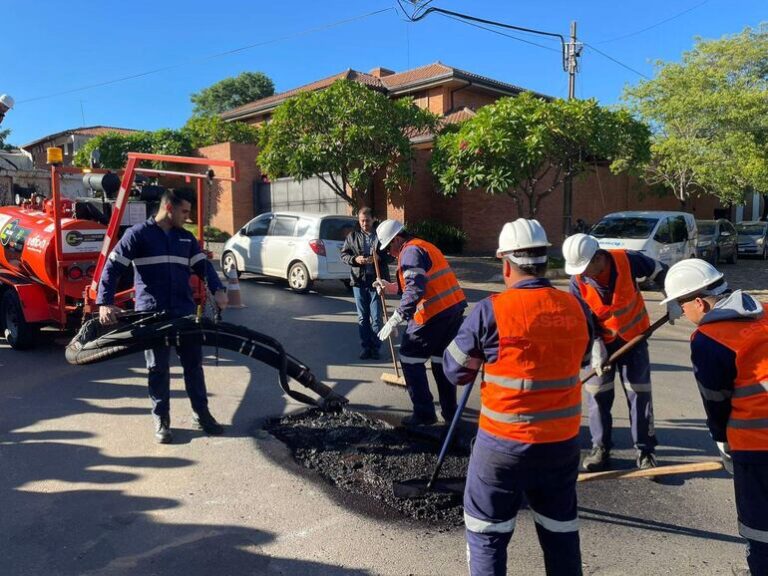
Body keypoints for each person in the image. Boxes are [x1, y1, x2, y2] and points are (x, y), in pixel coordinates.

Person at [443, 219, 592, 576]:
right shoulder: (577, 308)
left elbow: (455, 370)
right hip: (560, 447)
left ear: (505, 263)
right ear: (544, 262)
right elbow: (582, 360)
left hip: (502, 449)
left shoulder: (490, 311)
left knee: (487, 534)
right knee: (560, 532)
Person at [661, 259, 768, 575]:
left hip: (757, 448)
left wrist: (722, 441)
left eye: (682, 305)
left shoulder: (708, 339)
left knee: (760, 533)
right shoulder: (763, 309)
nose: (682, 314)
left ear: (698, 301)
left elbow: (716, 401)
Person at [97, 188, 228, 444]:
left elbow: (204, 267)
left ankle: (201, 414)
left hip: (184, 312)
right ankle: (161, 419)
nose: (187, 217)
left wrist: (218, 290)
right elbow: (112, 268)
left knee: (193, 365)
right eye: (184, 211)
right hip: (152, 314)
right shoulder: (138, 235)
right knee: (157, 367)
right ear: (169, 208)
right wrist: (104, 302)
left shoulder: (185, 239)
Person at [561, 233, 668, 471]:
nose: (582, 272)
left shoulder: (627, 260)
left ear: (600, 257)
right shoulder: (577, 281)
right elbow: (581, 319)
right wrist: (596, 345)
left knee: (639, 395)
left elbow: (661, 271)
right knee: (597, 394)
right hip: (601, 346)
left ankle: (645, 451)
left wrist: (671, 297)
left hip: (634, 340)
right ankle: (601, 448)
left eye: (586, 266)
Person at [374, 219, 466, 426]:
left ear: (398, 239)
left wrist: (397, 318)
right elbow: (414, 284)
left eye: (389, 247)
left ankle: (424, 414)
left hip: (433, 314)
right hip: (452, 310)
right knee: (439, 360)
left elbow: (415, 289)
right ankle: (450, 413)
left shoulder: (410, 252)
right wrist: (389, 287)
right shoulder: (422, 246)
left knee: (409, 356)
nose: (388, 252)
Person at [340, 207, 390, 360]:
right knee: (363, 317)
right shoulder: (352, 236)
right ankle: (366, 347)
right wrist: (355, 260)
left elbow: (391, 254)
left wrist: (380, 258)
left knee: (376, 317)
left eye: (367, 220)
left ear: (373, 219)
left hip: (376, 281)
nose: (364, 223)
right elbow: (344, 254)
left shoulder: (380, 236)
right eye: (361, 221)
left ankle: (375, 347)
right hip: (358, 282)